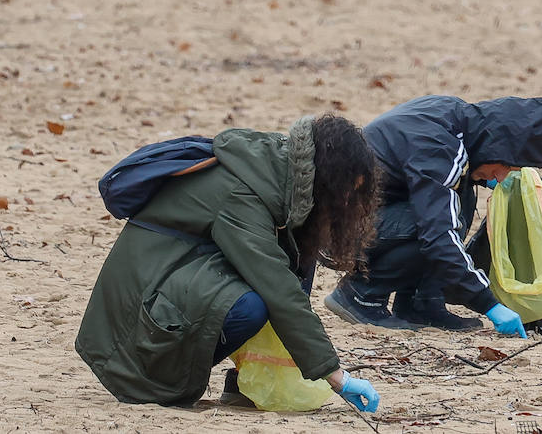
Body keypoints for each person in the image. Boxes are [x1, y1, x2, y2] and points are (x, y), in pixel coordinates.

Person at [76, 115, 383, 411]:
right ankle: (165, 375)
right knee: (251, 307)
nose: (346, 203)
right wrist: (337, 378)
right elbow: (277, 288)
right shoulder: (244, 193)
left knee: (298, 256)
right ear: (327, 176)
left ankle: (240, 383)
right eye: (345, 192)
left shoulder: (281, 167)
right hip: (137, 312)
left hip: (178, 273)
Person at [325, 95, 542, 336]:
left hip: (370, 213)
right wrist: (490, 304)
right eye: (505, 168)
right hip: (336, 233)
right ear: (497, 146)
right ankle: (362, 295)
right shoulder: (438, 145)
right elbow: (438, 234)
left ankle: (421, 303)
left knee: (458, 200)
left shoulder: (456, 121)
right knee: (436, 224)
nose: (501, 178)